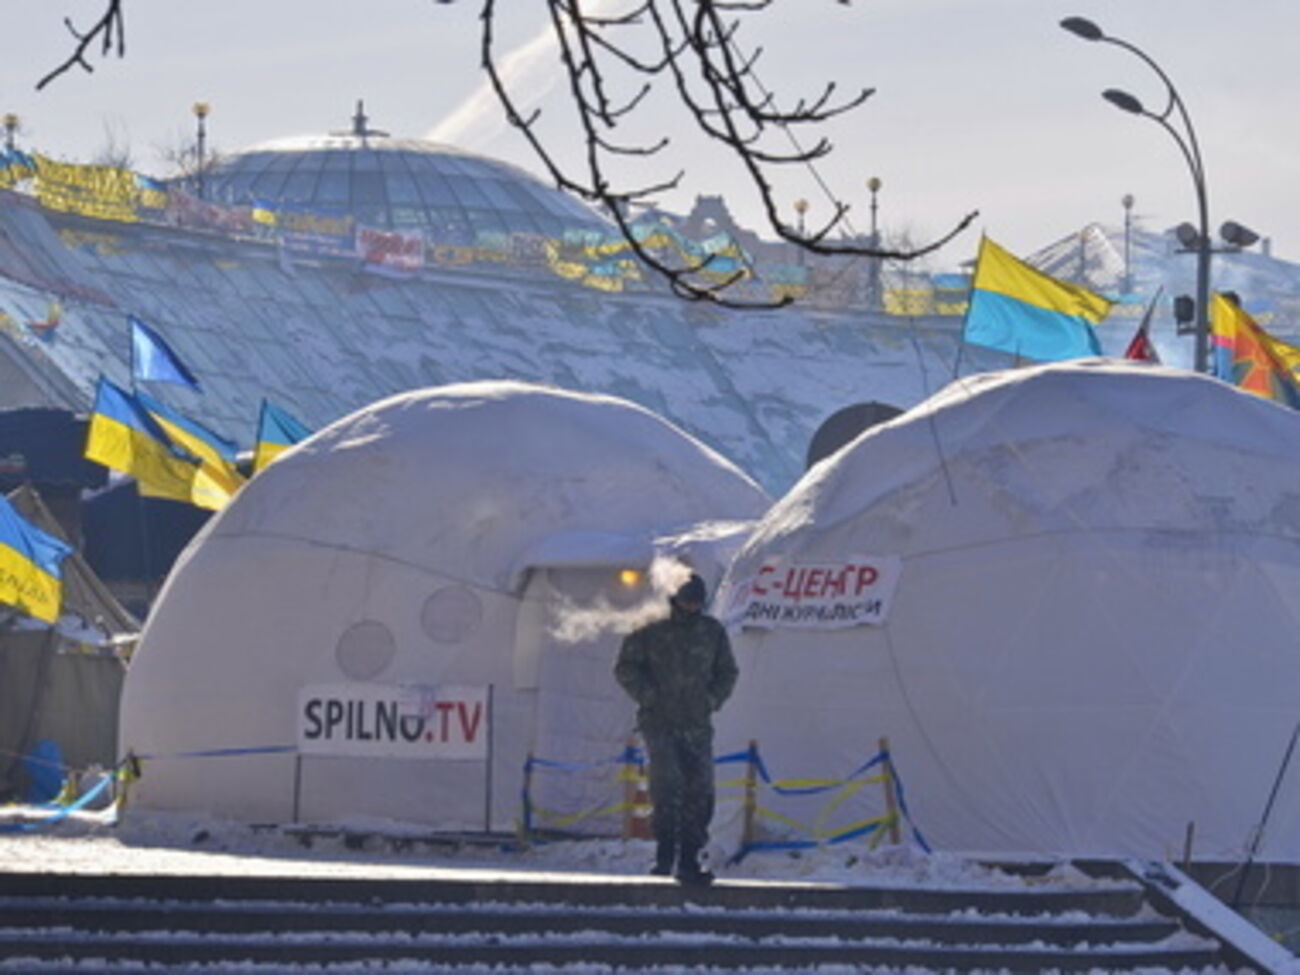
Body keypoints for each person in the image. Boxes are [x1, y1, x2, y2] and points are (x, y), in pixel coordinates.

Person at [614, 572, 738, 886]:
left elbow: (727, 671)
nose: (692, 606)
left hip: (697, 725)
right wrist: (648, 695)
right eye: (687, 600)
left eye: (697, 601)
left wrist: (712, 699)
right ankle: (665, 855)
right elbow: (626, 667)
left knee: (701, 792)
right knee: (667, 788)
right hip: (660, 723)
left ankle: (689, 860)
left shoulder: (711, 632)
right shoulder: (651, 628)